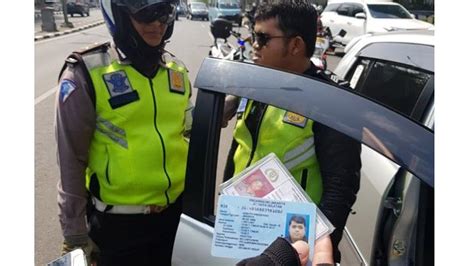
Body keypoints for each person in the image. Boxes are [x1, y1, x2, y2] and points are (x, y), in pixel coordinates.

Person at [223, 0, 361, 264]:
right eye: (253, 35)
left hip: (294, 250)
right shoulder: (256, 86)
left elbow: (340, 188)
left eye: (263, 38)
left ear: (295, 45)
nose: (254, 44)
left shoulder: (329, 101)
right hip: (244, 235)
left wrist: (319, 249)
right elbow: (239, 154)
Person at [55, 0, 193, 265]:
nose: (157, 23)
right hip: (117, 229)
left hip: (176, 220)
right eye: (146, 13)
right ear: (117, 13)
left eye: (164, 13)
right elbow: (71, 159)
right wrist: (74, 236)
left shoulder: (176, 71)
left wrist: (224, 105)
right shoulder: (86, 72)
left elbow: (189, 129)